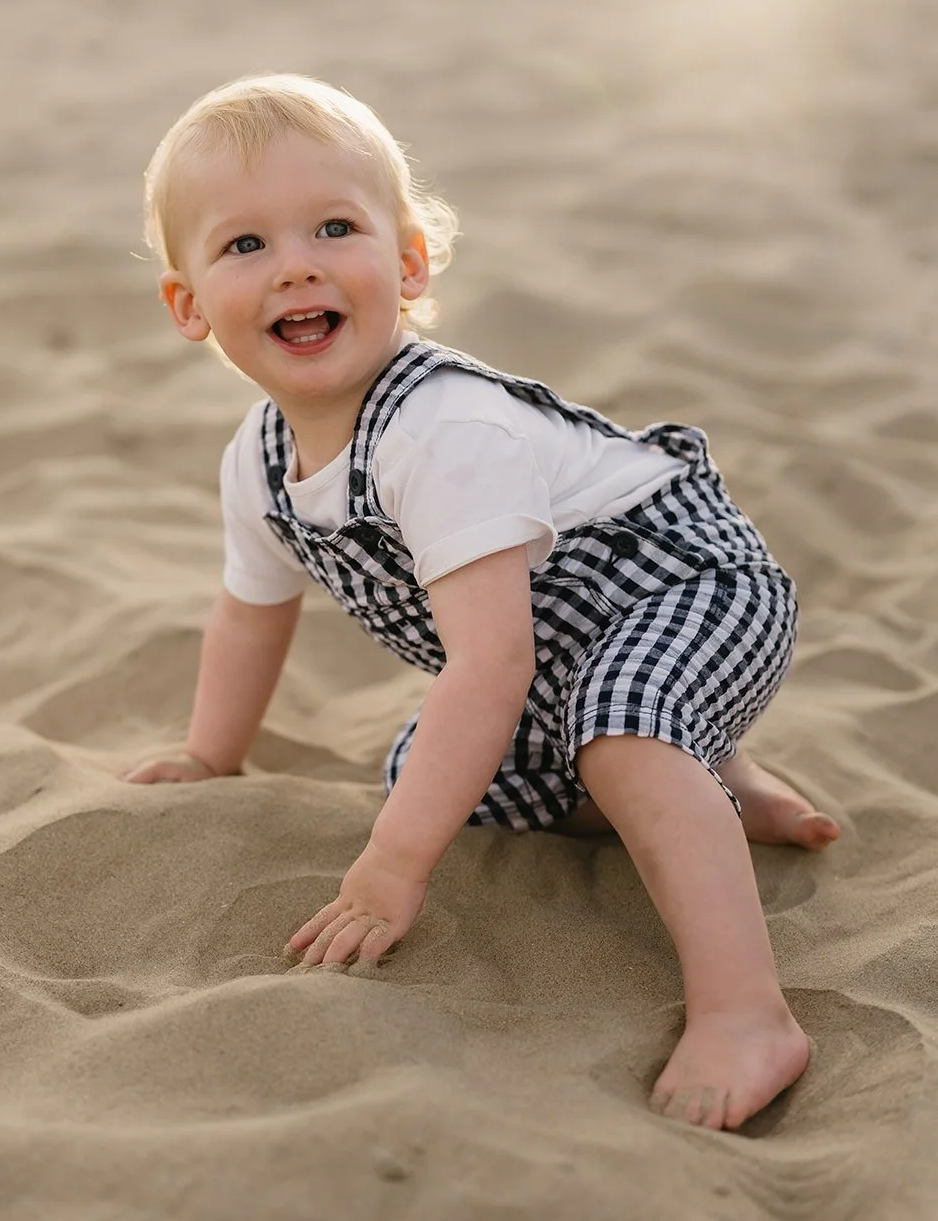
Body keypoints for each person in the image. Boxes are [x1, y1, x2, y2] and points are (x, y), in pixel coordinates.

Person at [123, 73, 840, 1131]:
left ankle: (744, 1011)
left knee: (623, 734)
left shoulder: (442, 430)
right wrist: (209, 753)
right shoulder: (259, 465)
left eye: (334, 227)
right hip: (553, 644)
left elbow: (490, 665)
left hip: (688, 583)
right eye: (245, 247)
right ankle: (723, 781)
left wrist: (391, 869)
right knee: (436, 773)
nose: (299, 266)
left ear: (407, 262)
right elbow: (250, 611)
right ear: (188, 306)